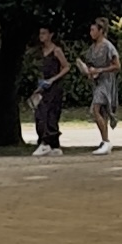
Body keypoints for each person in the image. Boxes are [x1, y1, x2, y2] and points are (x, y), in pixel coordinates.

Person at [81, 18, 121, 153]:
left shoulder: (108, 46)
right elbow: (89, 63)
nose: (91, 33)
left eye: (93, 30)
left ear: (101, 31)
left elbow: (117, 65)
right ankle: (105, 141)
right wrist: (89, 71)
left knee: (95, 108)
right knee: (102, 112)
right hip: (97, 82)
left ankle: (106, 141)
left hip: (106, 82)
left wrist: (100, 70)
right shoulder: (92, 48)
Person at [31, 26, 69, 154]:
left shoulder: (56, 51)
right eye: (40, 33)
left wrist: (53, 79)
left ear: (50, 35)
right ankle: (54, 145)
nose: (41, 36)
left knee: (50, 114)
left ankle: (46, 142)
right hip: (44, 87)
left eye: (44, 33)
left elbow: (66, 67)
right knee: (40, 114)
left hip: (54, 87)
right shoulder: (42, 51)